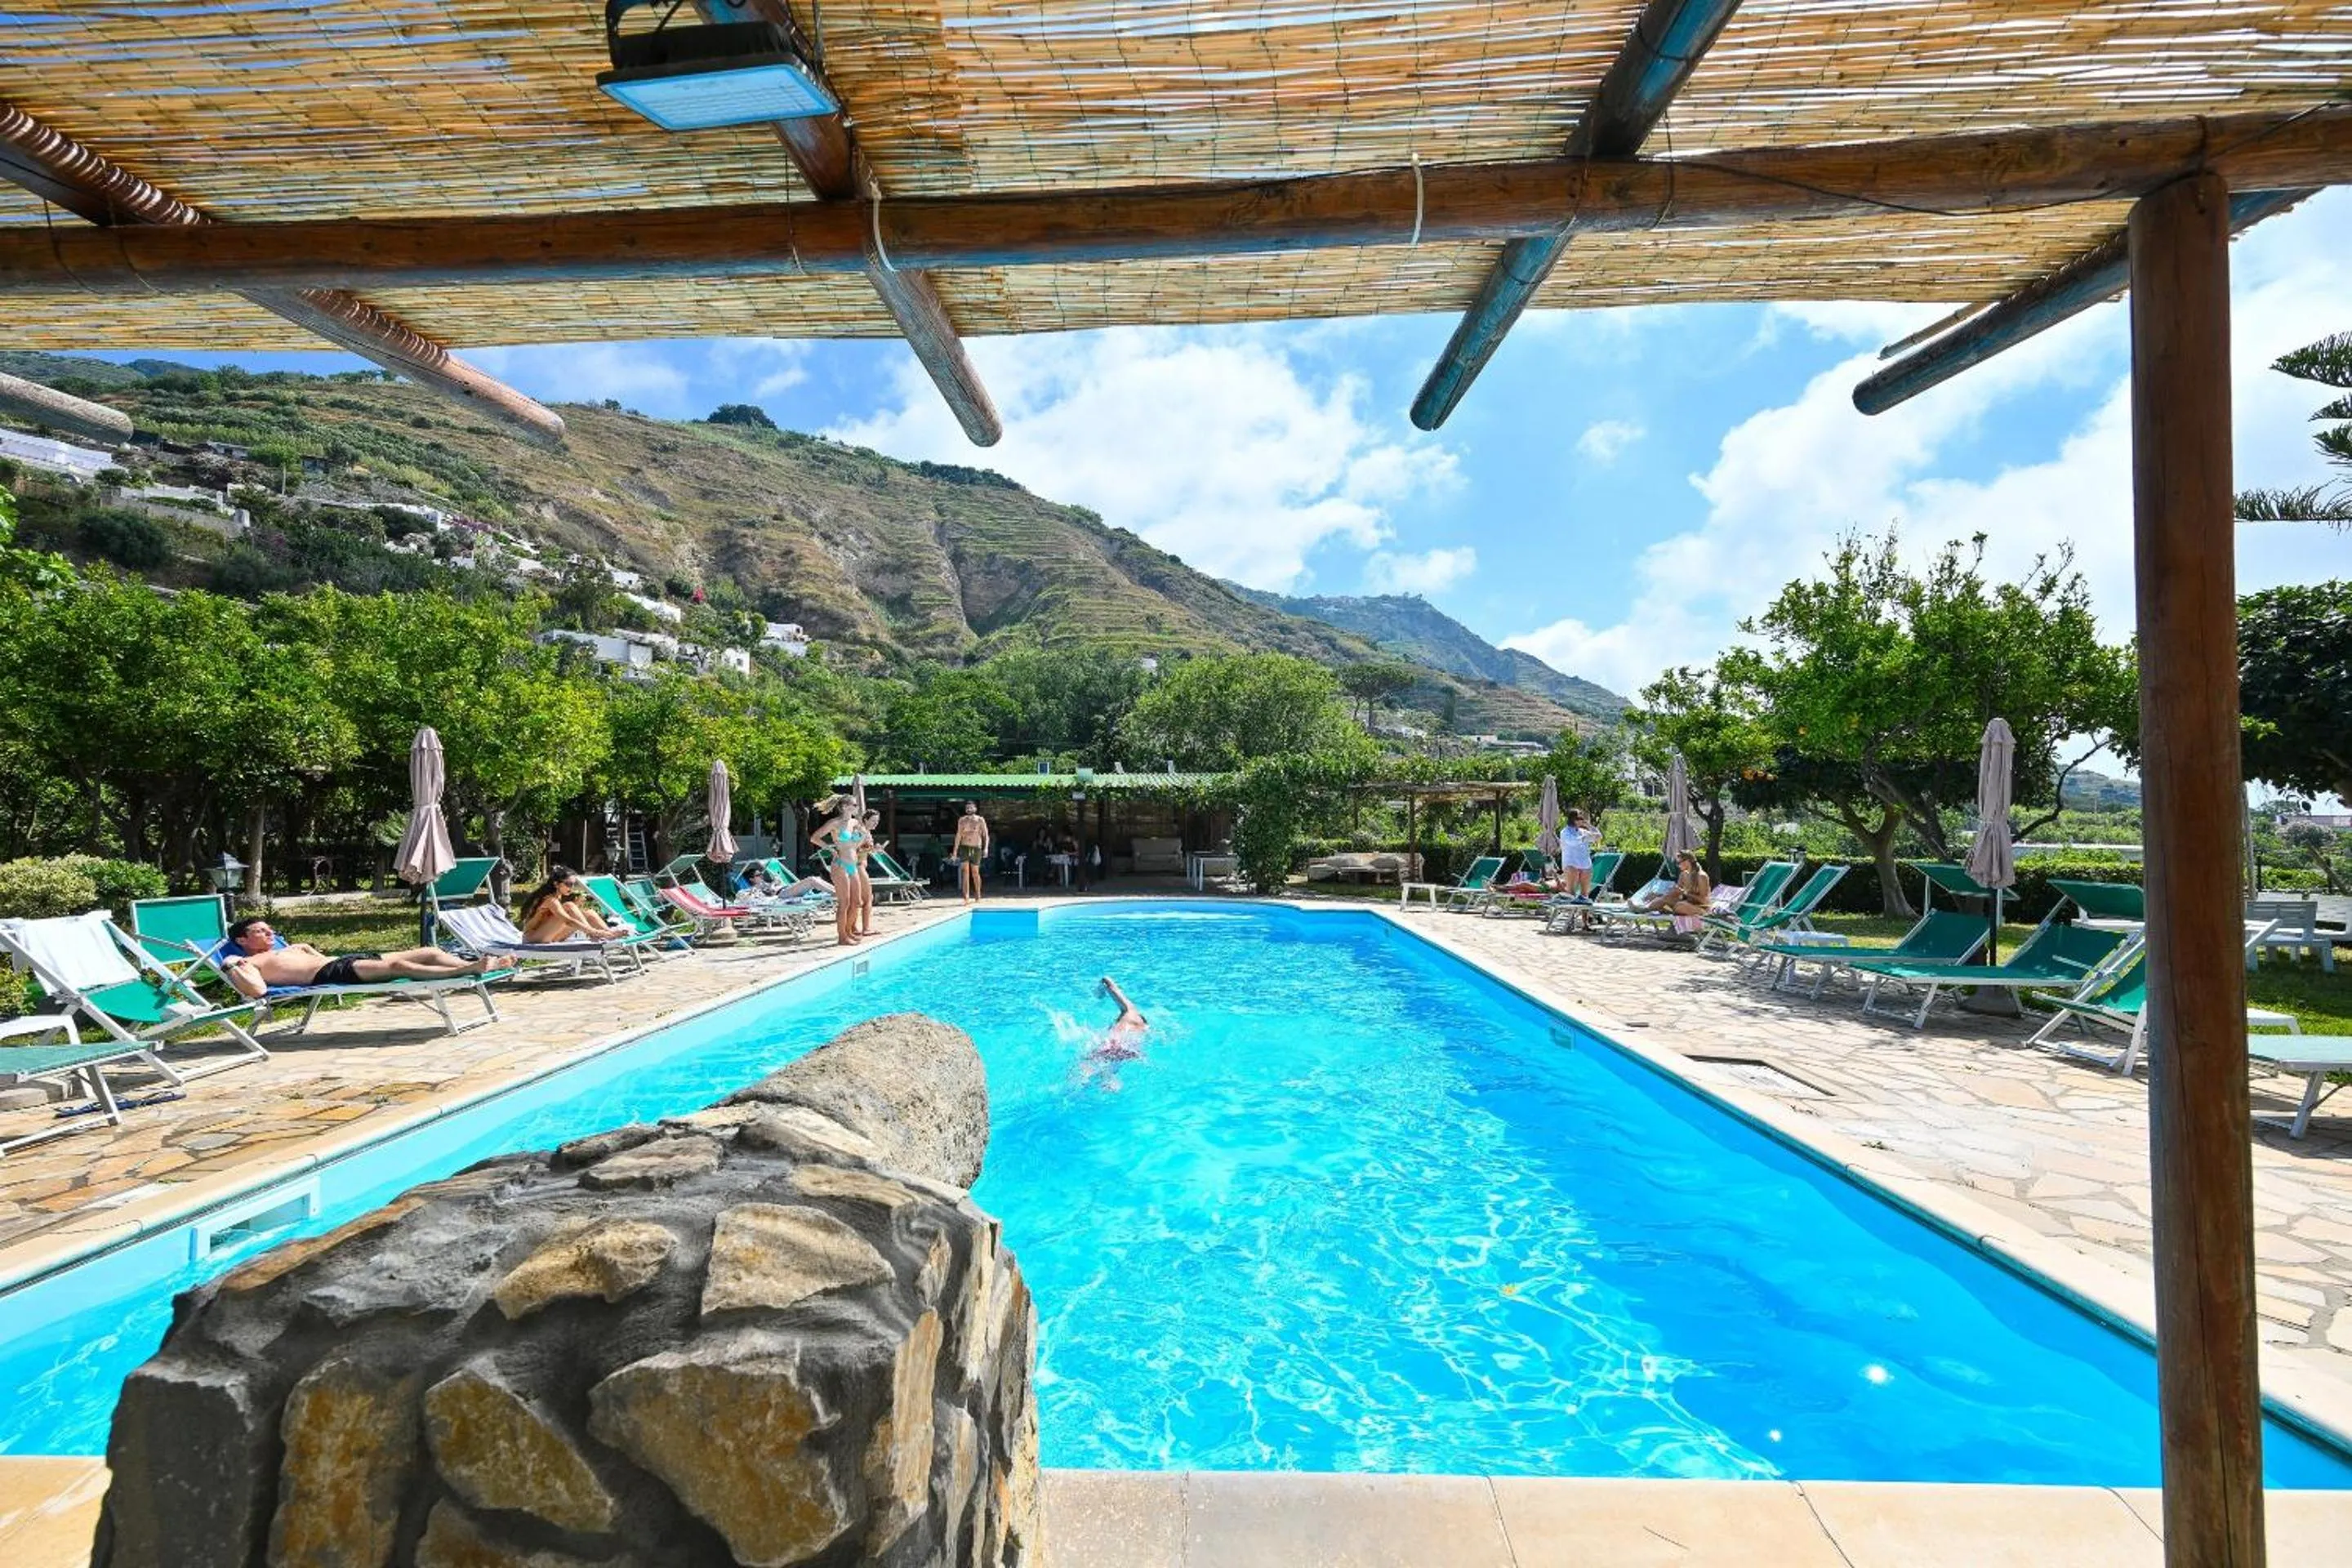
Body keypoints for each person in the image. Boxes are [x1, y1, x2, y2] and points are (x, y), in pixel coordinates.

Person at [218, 916, 501, 997]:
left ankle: (470, 966)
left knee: (430, 951)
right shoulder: (248, 963)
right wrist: (231, 965)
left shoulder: (290, 948)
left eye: (270, 930)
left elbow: (325, 956)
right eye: (261, 931)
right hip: (328, 974)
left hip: (343, 960)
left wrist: (304, 948)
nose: (270, 934)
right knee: (398, 966)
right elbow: (257, 990)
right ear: (242, 940)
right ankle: (466, 971)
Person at [808, 797, 868, 947]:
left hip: (852, 865)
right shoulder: (834, 823)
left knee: (857, 902)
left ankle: (848, 931)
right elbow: (814, 838)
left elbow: (855, 845)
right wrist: (829, 848)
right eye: (855, 804)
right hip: (840, 865)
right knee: (844, 903)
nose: (857, 807)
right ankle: (842, 937)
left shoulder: (855, 823)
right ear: (844, 806)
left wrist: (862, 836)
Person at [518, 867, 631, 945]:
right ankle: (598, 934)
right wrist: (594, 931)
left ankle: (610, 933)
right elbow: (568, 921)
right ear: (556, 884)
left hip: (550, 935)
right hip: (533, 938)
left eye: (573, 884)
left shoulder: (558, 896)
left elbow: (557, 919)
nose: (571, 888)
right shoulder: (550, 899)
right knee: (569, 906)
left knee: (589, 913)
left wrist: (576, 907)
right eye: (568, 884)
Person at [1090, 976, 1148, 1063]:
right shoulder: (1143, 1028)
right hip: (1126, 1049)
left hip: (1111, 1043)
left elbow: (1107, 981)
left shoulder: (1130, 1010)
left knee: (1087, 1063)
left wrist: (1100, 991)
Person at [952, 800, 991, 905]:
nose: (969, 810)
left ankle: (978, 894)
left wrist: (986, 848)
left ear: (975, 809)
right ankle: (966, 897)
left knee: (975, 872)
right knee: (965, 871)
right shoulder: (962, 820)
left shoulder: (980, 820)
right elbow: (958, 835)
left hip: (976, 847)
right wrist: (955, 851)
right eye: (967, 808)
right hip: (964, 847)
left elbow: (986, 835)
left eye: (971, 808)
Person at [1557, 809, 1601, 902]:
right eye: (1579, 818)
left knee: (1585, 894)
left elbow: (1599, 836)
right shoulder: (1565, 832)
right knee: (1571, 893)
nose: (1581, 820)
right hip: (1571, 863)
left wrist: (1588, 825)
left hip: (1585, 863)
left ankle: (1585, 916)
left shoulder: (1582, 831)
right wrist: (1585, 838)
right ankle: (1570, 914)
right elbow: (1572, 842)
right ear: (1573, 819)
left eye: (1582, 818)